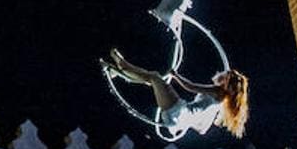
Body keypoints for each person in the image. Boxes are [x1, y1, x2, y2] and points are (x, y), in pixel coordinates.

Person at [102, 48, 248, 138]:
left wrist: (175, 75)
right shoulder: (219, 104)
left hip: (178, 110)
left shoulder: (217, 91)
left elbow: (191, 87)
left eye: (224, 75)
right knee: (154, 79)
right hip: (179, 119)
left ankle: (122, 66)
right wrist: (188, 122)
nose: (220, 74)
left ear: (226, 83)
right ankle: (119, 71)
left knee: (154, 77)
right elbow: (201, 130)